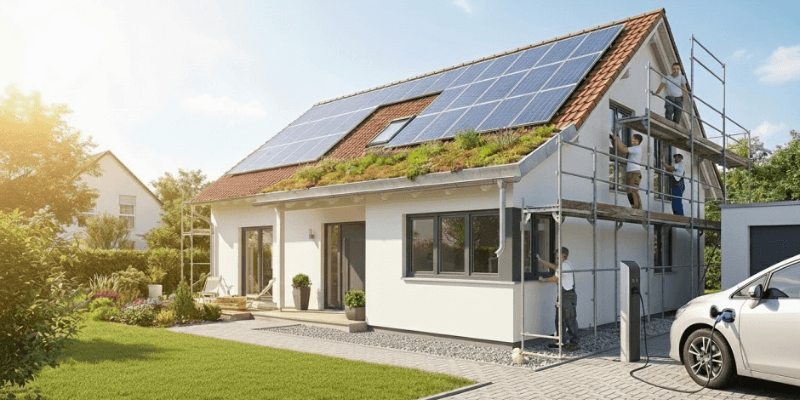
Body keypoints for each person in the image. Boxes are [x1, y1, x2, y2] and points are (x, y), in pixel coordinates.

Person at [537, 247, 579, 351]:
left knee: (570, 319)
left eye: (557, 255)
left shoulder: (565, 265)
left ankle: (574, 343)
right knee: (560, 319)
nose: (556, 257)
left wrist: (544, 280)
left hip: (567, 296)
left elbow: (556, 278)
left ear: (563, 255)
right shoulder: (565, 264)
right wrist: (541, 261)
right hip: (564, 295)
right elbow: (555, 267)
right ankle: (561, 341)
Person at [609, 133, 644, 209]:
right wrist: (618, 140)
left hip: (633, 173)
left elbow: (623, 150)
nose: (632, 140)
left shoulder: (636, 148)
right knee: (631, 190)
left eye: (634, 139)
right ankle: (637, 208)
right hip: (633, 172)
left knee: (632, 190)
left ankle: (636, 208)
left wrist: (616, 140)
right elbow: (624, 147)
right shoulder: (635, 149)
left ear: (638, 141)